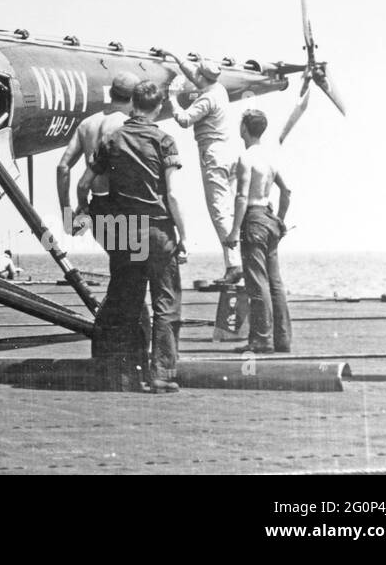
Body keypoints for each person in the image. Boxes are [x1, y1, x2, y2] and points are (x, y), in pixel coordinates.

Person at [86, 80, 187, 393]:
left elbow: (90, 182)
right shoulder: (165, 141)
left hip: (126, 231)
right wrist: (183, 233)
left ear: (132, 105)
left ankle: (126, 375)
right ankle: (162, 374)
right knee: (166, 302)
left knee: (128, 304)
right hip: (159, 230)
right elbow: (172, 194)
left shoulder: (112, 139)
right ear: (157, 108)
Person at [157, 51, 241, 285]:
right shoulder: (219, 90)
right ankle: (239, 260)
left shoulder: (206, 99)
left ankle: (233, 265)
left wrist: (172, 98)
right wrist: (175, 56)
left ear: (202, 78)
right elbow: (195, 74)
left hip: (213, 153)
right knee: (231, 207)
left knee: (219, 210)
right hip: (229, 150)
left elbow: (184, 120)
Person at [227, 109, 293, 354]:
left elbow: (242, 196)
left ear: (244, 128)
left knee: (258, 282)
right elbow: (286, 192)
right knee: (275, 282)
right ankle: (282, 339)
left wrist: (234, 230)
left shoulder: (246, 158)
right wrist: (281, 221)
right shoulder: (270, 157)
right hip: (269, 216)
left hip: (253, 218)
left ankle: (261, 341)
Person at [57, 70, 140, 235]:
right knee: (135, 257)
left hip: (97, 206)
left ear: (110, 93)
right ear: (135, 99)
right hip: (123, 206)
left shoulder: (87, 124)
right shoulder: (129, 126)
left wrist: (67, 215)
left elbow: (62, 168)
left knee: (117, 257)